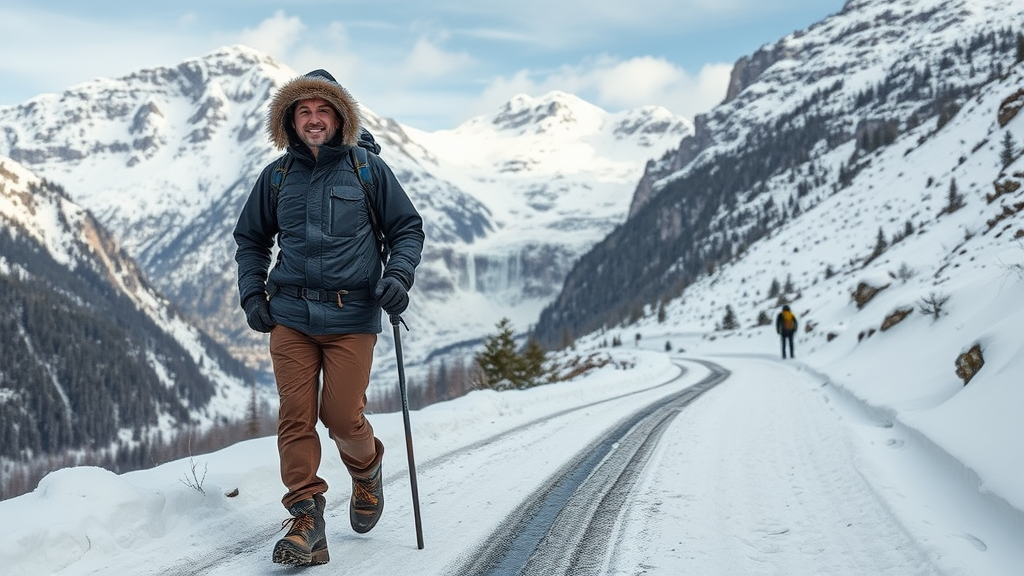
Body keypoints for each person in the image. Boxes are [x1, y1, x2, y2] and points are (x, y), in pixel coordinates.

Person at [233, 69, 424, 566]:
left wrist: (398, 278)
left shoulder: (368, 170)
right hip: (291, 315)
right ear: (289, 121)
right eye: (304, 111)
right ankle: (305, 519)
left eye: (323, 111)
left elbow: (407, 230)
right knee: (295, 416)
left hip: (352, 316)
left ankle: (367, 469)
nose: (314, 120)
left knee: (340, 417)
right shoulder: (276, 176)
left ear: (340, 118)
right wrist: (253, 294)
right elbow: (251, 240)